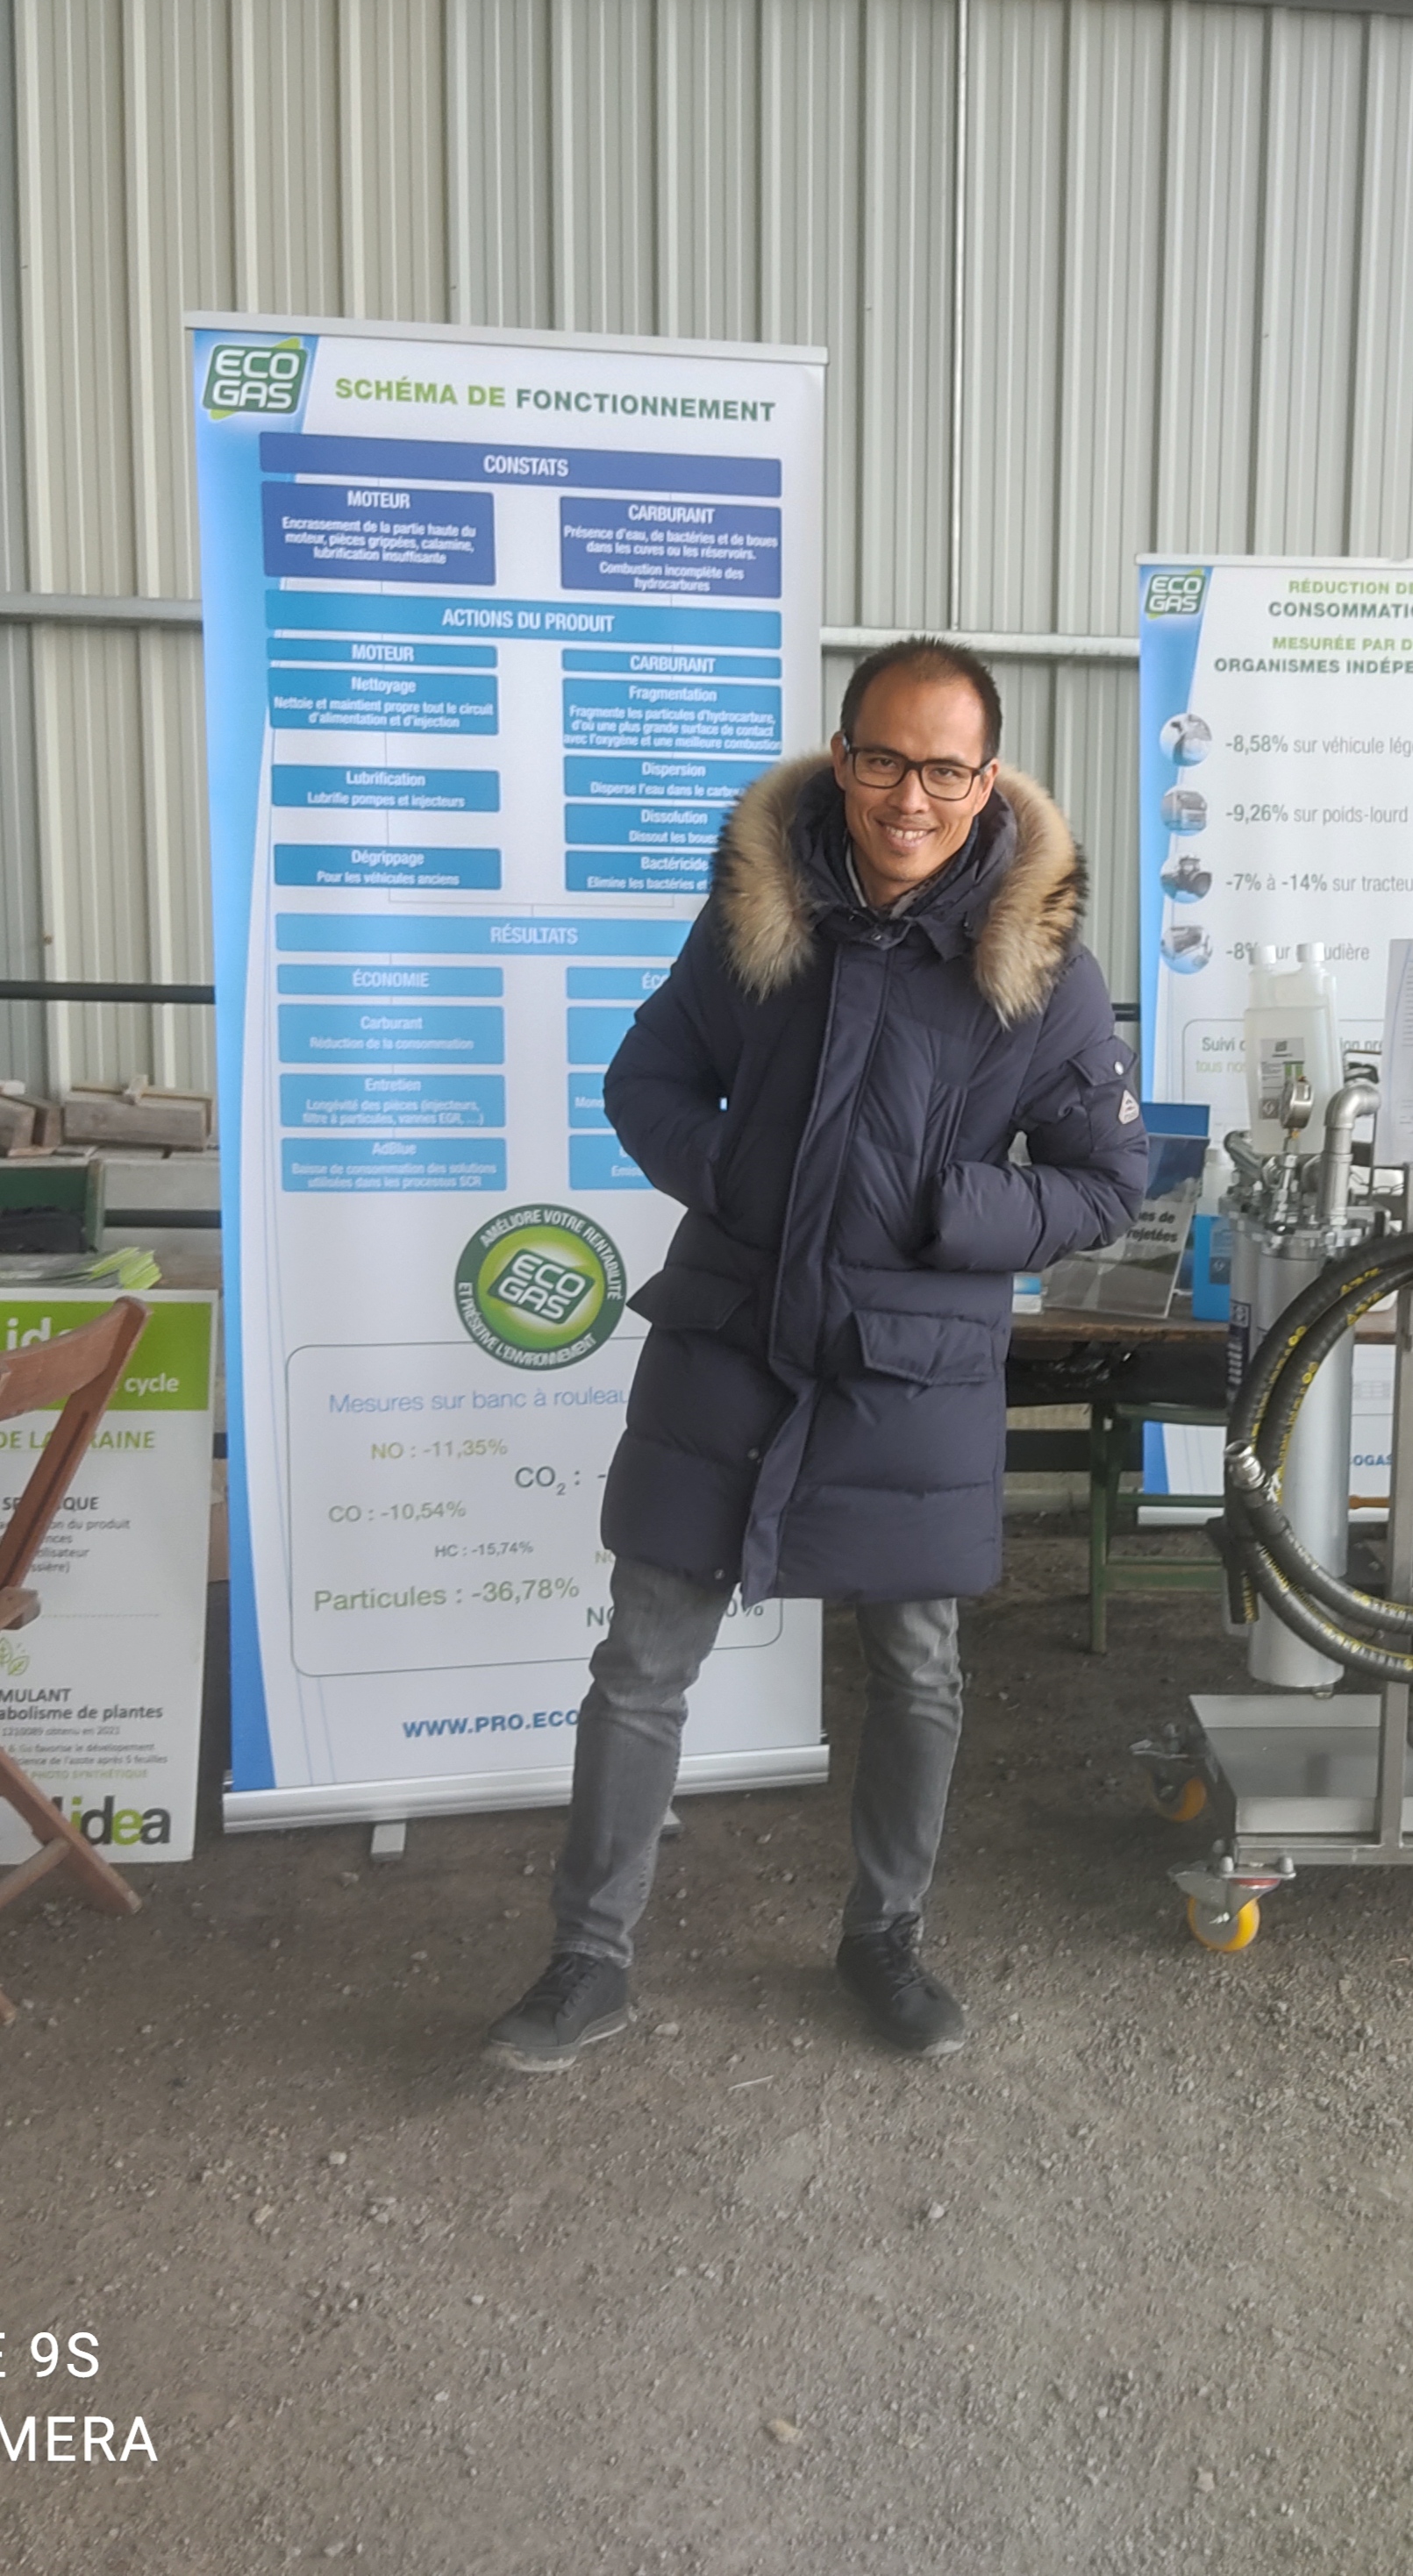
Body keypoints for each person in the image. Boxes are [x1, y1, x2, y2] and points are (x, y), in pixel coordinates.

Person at [487, 638, 1147, 2070]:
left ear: (987, 780)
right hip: (730, 1338)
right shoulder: (754, 917)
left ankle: (884, 1940)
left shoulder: (1039, 968)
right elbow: (645, 1078)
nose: (912, 798)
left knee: (918, 1669)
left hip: (913, 1366)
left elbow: (1107, 1178)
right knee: (642, 1658)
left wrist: (953, 1211)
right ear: (844, 757)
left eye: (945, 770)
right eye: (885, 760)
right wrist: (740, 1179)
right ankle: (587, 1959)